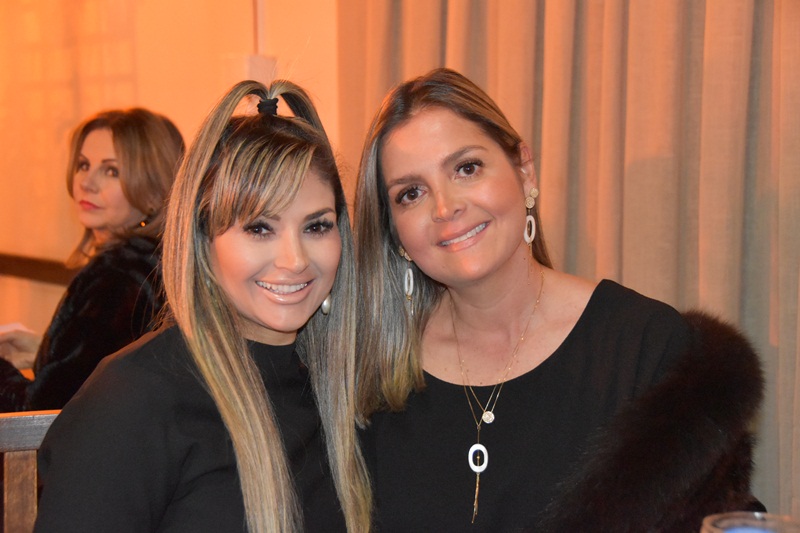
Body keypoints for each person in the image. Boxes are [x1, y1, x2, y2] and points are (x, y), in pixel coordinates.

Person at [354, 68, 764, 532]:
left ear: (524, 170)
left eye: (466, 168)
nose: (446, 208)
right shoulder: (369, 381)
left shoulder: (648, 350)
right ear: (395, 232)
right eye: (411, 193)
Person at [34, 79, 372, 533]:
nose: (295, 260)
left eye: (316, 227)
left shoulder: (344, 390)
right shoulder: (133, 401)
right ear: (202, 239)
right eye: (259, 228)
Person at [0, 108, 184, 412]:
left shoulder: (117, 277)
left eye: (111, 171)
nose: (87, 183)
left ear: (154, 190)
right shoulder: (159, 261)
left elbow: (45, 412)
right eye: (83, 165)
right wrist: (44, 354)